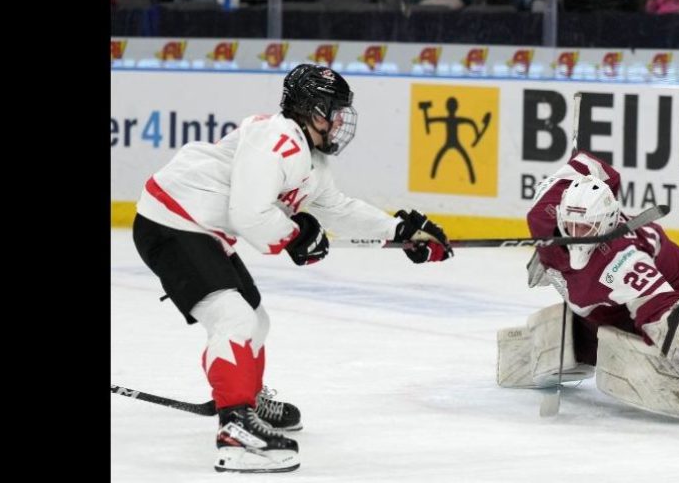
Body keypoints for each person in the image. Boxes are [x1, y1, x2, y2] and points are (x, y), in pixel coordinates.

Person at [132, 64, 454, 472]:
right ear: (311, 108)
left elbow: (337, 209)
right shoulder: (276, 138)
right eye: (333, 111)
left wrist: (401, 232)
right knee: (232, 318)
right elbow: (249, 213)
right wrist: (294, 236)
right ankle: (235, 431)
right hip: (171, 220)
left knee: (255, 320)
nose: (339, 121)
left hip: (200, 228)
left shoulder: (310, 160)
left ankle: (245, 399)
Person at [496, 151, 679, 430]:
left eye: (585, 229)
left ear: (607, 223)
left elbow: (659, 312)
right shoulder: (542, 215)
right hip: (600, 303)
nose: (575, 236)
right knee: (577, 335)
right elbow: (592, 165)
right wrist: (586, 181)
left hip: (668, 288)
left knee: (664, 344)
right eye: (570, 225)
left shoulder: (621, 262)